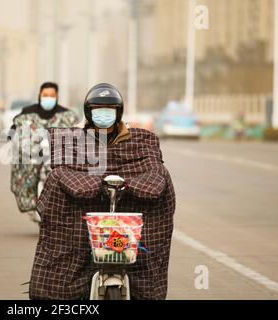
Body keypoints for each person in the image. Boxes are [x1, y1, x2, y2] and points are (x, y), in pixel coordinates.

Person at [29, 83, 176, 300]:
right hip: (83, 218)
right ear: (89, 113)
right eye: (98, 110)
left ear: (119, 113)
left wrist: (128, 183)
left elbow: (153, 170)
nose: (104, 116)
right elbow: (62, 171)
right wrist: (92, 184)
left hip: (128, 209)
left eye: (109, 111)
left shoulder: (139, 141)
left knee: (163, 179)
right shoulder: (73, 142)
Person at [9, 82, 78, 221]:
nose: (48, 98)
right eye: (45, 95)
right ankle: (29, 201)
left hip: (56, 156)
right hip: (32, 154)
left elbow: (77, 131)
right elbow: (13, 130)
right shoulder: (27, 113)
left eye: (52, 95)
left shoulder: (67, 116)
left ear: (57, 96)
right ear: (40, 95)